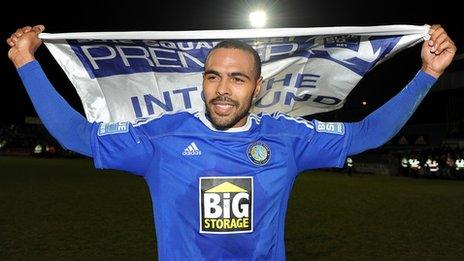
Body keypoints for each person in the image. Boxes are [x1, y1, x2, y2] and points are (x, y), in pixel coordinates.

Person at [7, 24, 456, 260]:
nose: (223, 89)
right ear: (202, 81)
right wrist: (26, 61)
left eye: (237, 79)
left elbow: (367, 133)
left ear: (256, 87)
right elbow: (78, 135)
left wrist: (428, 74)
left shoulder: (287, 138)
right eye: (213, 76)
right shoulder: (164, 137)